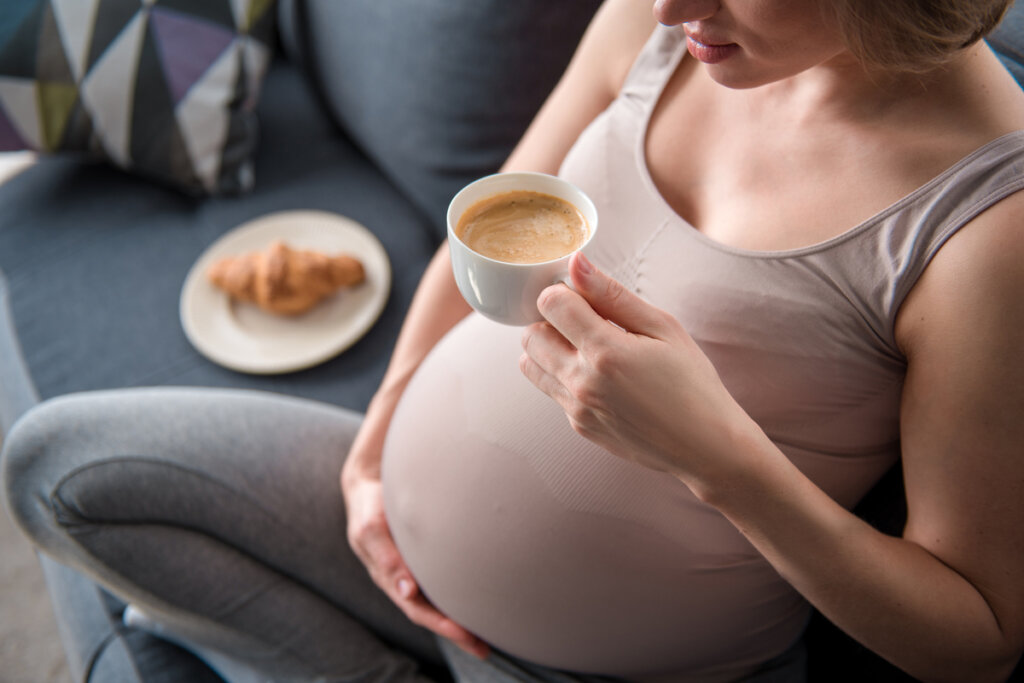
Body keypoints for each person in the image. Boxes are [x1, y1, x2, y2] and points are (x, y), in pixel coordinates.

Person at [4, 0, 1023, 681]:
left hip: (609, 665)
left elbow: (974, 636)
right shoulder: (664, 19)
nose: (669, 6)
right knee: (57, 466)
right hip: (394, 531)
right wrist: (376, 440)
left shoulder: (987, 223)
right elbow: (486, 221)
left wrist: (718, 459)